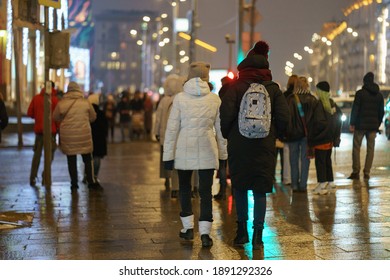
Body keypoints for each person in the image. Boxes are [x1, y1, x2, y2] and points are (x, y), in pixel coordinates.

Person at [220, 41, 289, 249]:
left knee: (240, 187)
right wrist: (277, 133)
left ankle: (242, 232)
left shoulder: (235, 87)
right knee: (260, 189)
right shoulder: (273, 89)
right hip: (264, 144)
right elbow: (284, 117)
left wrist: (228, 135)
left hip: (239, 143)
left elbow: (226, 114)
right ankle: (258, 235)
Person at [163, 61, 228, 247]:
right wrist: (223, 155)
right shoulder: (215, 99)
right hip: (207, 148)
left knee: (184, 189)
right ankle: (206, 234)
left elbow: (172, 129)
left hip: (184, 149)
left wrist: (168, 156)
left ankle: (188, 229)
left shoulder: (180, 98)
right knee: (206, 192)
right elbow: (221, 131)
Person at [53, 81, 99, 191]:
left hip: (68, 136)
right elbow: (93, 117)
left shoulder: (62, 103)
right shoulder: (85, 103)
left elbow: (55, 117)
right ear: (79, 90)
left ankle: (74, 184)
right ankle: (91, 181)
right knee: (88, 159)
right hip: (84, 135)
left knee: (71, 160)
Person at [348, 72, 384, 180]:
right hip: (373, 127)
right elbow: (381, 112)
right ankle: (367, 172)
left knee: (356, 148)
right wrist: (377, 123)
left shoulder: (360, 94)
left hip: (360, 126)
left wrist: (352, 123)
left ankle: (356, 171)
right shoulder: (379, 95)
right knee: (371, 149)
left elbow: (355, 109)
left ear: (364, 81)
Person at [285, 76, 318, 193]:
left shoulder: (290, 99)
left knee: (293, 159)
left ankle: (294, 185)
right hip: (306, 135)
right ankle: (303, 185)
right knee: (305, 160)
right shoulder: (313, 99)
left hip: (293, 135)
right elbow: (315, 119)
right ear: (307, 86)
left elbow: (286, 118)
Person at [309, 81, 342, 195]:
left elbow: (318, 122)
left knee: (320, 162)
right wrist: (335, 135)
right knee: (327, 160)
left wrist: (314, 135)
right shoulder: (332, 103)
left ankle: (322, 184)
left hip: (321, 139)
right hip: (330, 139)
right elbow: (338, 119)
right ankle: (330, 182)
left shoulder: (319, 104)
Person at [154, 74, 184, 194]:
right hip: (175, 136)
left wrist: (156, 132)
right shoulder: (179, 100)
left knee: (165, 158)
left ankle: (167, 178)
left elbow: (158, 119)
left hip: (164, 134)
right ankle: (174, 182)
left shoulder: (163, 101)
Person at [27, 82, 59, 186]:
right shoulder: (54, 100)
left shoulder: (36, 98)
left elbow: (29, 113)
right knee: (49, 156)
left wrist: (38, 118)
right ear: (53, 88)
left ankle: (32, 177)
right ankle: (46, 176)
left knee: (37, 155)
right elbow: (58, 117)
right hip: (51, 133)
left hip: (39, 132)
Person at [214, 75, 234, 200]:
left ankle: (222, 190)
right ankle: (235, 190)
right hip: (233, 138)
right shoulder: (235, 101)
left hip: (222, 137)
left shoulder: (219, 102)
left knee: (222, 166)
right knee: (233, 166)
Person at [281, 74, 298, 185]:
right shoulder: (298, 96)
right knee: (298, 157)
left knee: (286, 156)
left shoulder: (284, 96)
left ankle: (287, 178)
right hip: (299, 131)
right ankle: (296, 178)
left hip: (287, 130)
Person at [88, 93, 108, 182]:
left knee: (88, 158)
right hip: (99, 139)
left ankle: (88, 175)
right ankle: (95, 175)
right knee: (97, 158)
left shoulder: (86, 113)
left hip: (89, 138)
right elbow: (105, 127)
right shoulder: (101, 113)